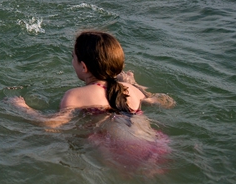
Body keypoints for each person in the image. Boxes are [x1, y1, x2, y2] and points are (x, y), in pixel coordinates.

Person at [10, 31, 174, 167]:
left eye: (73, 56)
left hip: (126, 152)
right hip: (157, 145)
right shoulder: (132, 90)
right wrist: (134, 83)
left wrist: (23, 107)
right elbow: (163, 102)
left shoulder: (75, 96)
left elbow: (51, 125)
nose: (72, 60)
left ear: (84, 66)